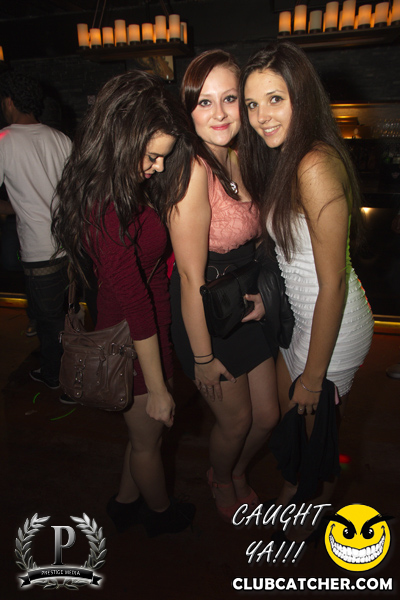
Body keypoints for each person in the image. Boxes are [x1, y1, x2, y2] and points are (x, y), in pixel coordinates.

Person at [52, 71, 195, 537]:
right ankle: (161, 516)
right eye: (151, 156)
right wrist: (157, 387)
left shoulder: (120, 186)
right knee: (150, 440)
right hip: (131, 340)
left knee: (142, 437)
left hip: (145, 330)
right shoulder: (103, 205)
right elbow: (134, 302)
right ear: (121, 139)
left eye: (162, 156)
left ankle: (125, 501)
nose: (158, 167)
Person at [239, 42, 374, 533]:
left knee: (318, 443)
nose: (261, 117)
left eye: (275, 99)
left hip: (333, 328)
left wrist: (314, 378)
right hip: (303, 317)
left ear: (302, 97)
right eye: (252, 104)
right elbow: (295, 258)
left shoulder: (313, 163)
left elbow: (332, 281)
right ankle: (293, 493)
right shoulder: (289, 157)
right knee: (288, 420)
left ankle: (304, 521)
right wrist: (268, 299)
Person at [168, 50, 279, 522]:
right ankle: (222, 477)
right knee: (236, 421)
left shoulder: (237, 156)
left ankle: (234, 469)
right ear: (188, 110)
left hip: (242, 300)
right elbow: (190, 277)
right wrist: (202, 358)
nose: (218, 113)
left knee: (268, 416)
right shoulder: (192, 170)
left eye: (229, 99)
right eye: (204, 102)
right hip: (206, 312)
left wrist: (265, 296)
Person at [0, 72, 72, 390]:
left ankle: (59, 378)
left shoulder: (5, 140)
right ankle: (74, 370)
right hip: (69, 244)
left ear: (9, 102)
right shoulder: (61, 139)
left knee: (48, 321)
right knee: (66, 315)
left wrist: (15, 207)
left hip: (39, 248)